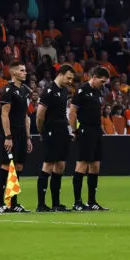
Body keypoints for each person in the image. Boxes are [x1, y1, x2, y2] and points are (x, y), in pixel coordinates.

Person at [69, 66, 109, 210]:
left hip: (96, 130)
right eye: (102, 81)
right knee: (82, 163)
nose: (103, 84)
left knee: (95, 165)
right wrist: (74, 130)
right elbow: (72, 113)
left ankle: (92, 202)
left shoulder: (98, 92)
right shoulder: (82, 91)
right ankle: (77, 202)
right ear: (94, 76)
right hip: (85, 130)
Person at [36, 64, 75, 212]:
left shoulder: (64, 91)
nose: (70, 81)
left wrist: (69, 131)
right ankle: (41, 204)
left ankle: (56, 204)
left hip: (62, 131)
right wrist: (42, 131)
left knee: (60, 166)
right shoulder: (49, 90)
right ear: (61, 74)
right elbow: (40, 114)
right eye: (68, 77)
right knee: (48, 165)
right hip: (51, 131)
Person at [0, 60, 32, 213]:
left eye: (25, 70)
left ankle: (13, 203)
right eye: (22, 70)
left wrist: (29, 137)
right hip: (12, 134)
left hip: (22, 134)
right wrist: (8, 136)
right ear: (13, 72)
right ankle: (0, 204)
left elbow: (25, 116)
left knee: (18, 167)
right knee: (6, 166)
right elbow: (4, 115)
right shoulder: (8, 91)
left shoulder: (24, 90)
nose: (25, 73)